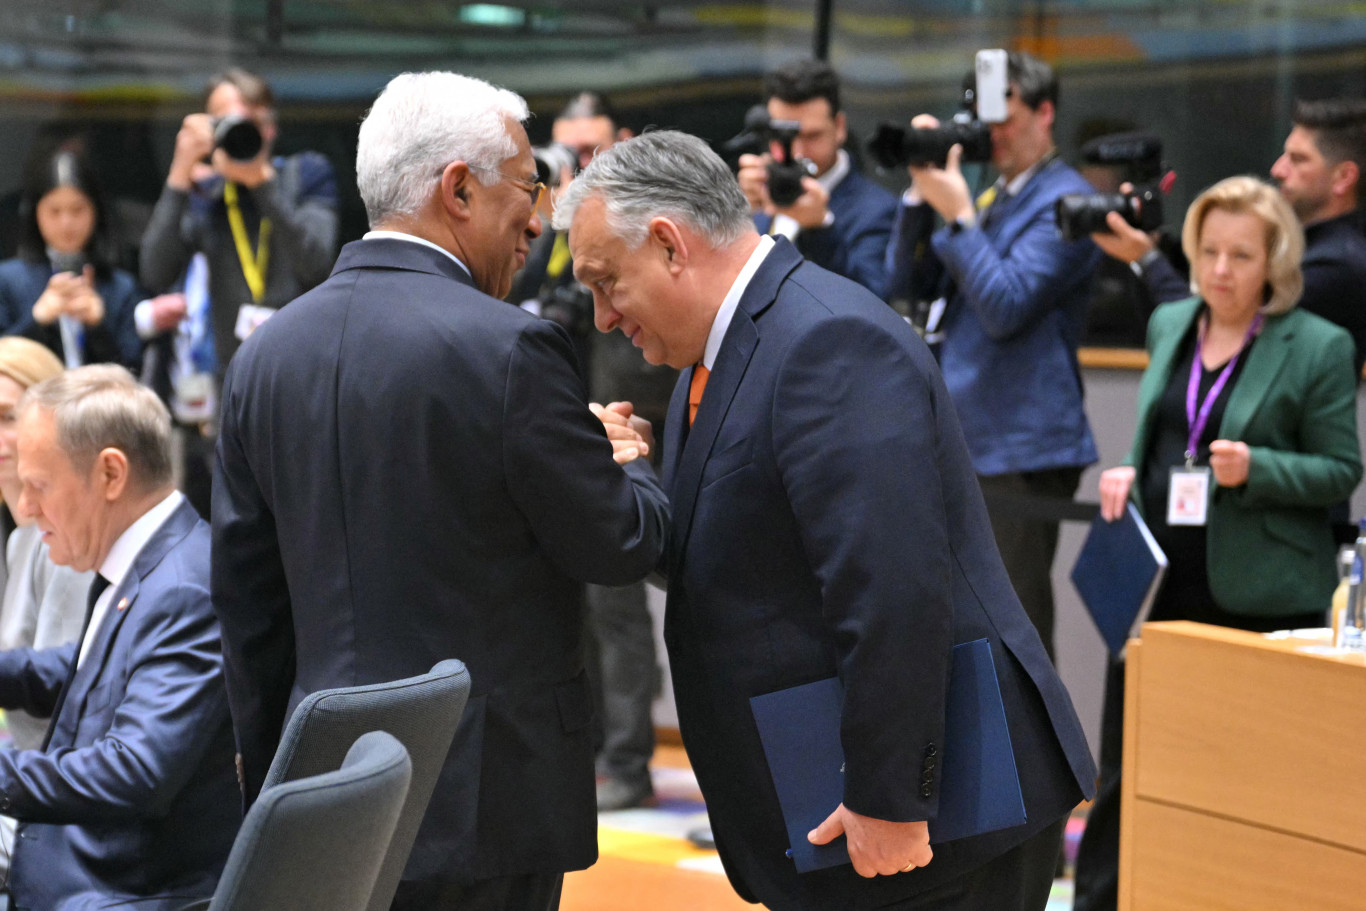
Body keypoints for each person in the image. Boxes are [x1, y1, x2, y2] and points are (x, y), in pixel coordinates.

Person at [556, 129, 1095, 911]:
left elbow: (893, 590)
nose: (603, 317)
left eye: (608, 282)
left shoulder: (825, 340)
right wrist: (630, 469)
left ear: (670, 244)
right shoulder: (726, 351)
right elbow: (723, 555)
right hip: (844, 810)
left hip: (934, 826)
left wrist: (889, 798)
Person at [211, 71, 669, 911]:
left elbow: (247, 608)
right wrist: (627, 458)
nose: (537, 219)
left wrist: (273, 786)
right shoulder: (514, 349)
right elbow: (621, 543)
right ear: (458, 189)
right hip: (486, 803)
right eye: (528, 187)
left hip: (320, 794)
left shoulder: (264, 356)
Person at [1073, 176, 1362, 911]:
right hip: (1155, 581)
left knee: (1242, 778)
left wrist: (1259, 468)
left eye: (1241, 255)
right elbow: (1164, 434)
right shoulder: (1171, 321)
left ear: (1276, 262)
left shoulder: (1320, 345)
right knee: (1126, 764)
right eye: (1208, 252)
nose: (1221, 271)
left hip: (1259, 594)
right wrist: (1128, 469)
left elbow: (1342, 469)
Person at [884, 50, 1102, 660]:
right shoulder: (993, 197)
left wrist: (958, 215)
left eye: (1004, 118)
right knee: (962, 625)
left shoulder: (1068, 202)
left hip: (1021, 446)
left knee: (1013, 627)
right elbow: (904, 284)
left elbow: (1006, 306)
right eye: (982, 120)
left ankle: (1035, 730)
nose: (992, 134)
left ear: (1045, 112)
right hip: (970, 437)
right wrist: (919, 197)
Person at [0, 364, 238, 909]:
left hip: (114, 893)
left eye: (39, 486)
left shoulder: (183, 589)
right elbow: (89, 672)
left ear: (110, 474)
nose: (26, 508)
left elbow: (134, 772)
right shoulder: (153, 561)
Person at [509, 91, 670, 813]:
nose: (575, 164)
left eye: (590, 150)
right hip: (564, 429)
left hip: (628, 424)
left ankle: (629, 760)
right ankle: (598, 751)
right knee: (575, 605)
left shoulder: (636, 229)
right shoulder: (550, 226)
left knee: (618, 606)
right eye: (566, 150)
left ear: (623, 143)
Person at [1095, 97, 1366, 376]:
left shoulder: (1338, 265)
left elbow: (1217, 331)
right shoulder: (1312, 247)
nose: (1278, 169)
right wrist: (1156, 245)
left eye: (1298, 159)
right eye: (1210, 252)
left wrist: (1147, 258)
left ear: (1344, 177)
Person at [139, 66, 338, 381]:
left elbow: (315, 266)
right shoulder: (209, 193)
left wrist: (262, 184)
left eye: (247, 122)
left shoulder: (306, 173)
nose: (237, 132)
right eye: (224, 122)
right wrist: (179, 172)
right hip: (232, 378)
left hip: (304, 371)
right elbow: (155, 272)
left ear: (268, 127)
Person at [739, 59, 898, 298]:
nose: (798, 151)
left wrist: (820, 228)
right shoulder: (756, 187)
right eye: (783, 136)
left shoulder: (877, 210)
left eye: (812, 136)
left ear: (840, 127)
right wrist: (736, 211)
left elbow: (871, 302)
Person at [0, 148, 143, 370]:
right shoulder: (6, 280)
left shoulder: (121, 286)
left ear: (95, 210)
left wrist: (98, 326)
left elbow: (134, 372)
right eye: (54, 211)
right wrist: (37, 319)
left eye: (77, 210)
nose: (66, 223)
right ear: (34, 212)